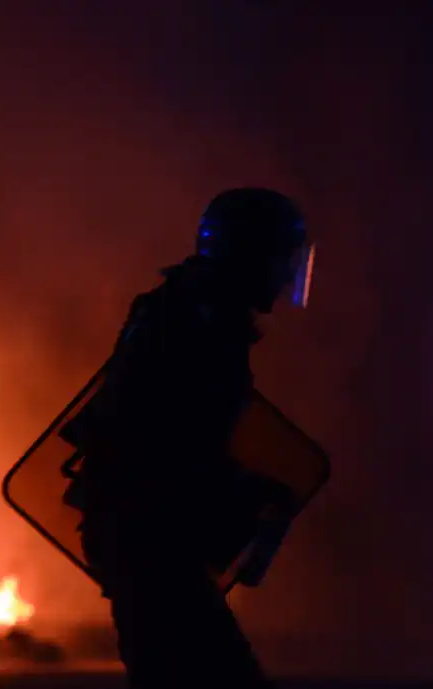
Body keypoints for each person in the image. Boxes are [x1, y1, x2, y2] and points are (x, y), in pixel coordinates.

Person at [62, 187, 314, 689]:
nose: (288, 274)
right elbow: (165, 448)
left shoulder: (186, 313)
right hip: (148, 547)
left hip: (141, 542)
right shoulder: (195, 327)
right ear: (248, 254)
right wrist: (250, 493)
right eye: (281, 258)